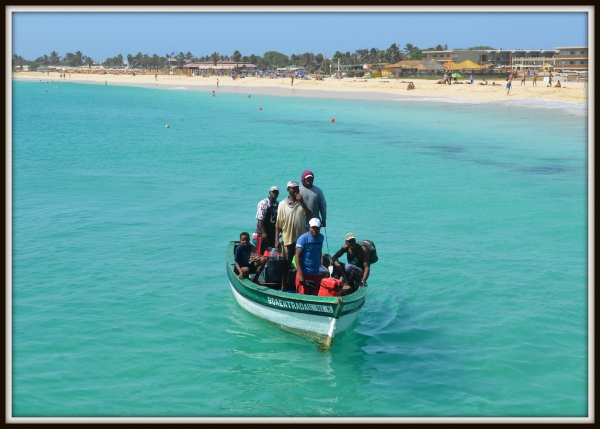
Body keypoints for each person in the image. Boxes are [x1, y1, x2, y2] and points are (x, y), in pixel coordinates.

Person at [274, 181, 313, 291]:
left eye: (297, 188)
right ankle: (283, 286)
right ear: (288, 190)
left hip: (301, 239)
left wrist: (302, 202)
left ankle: (302, 287)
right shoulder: (282, 204)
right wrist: (276, 240)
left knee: (302, 263)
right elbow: (278, 225)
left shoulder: (302, 201)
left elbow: (310, 216)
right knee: (286, 264)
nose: (295, 190)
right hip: (288, 239)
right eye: (293, 188)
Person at [295, 218, 325, 295]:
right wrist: (301, 276)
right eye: (313, 227)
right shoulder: (303, 238)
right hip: (304, 273)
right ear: (309, 227)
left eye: (317, 228)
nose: (314, 230)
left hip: (315, 273)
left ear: (320, 228)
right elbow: (297, 256)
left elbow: (319, 252)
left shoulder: (321, 238)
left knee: (313, 296)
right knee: (303, 297)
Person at [254, 186, 280, 254]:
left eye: (276, 192)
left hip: (272, 232)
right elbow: (260, 219)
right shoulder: (264, 203)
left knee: (271, 251)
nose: (274, 194)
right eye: (273, 192)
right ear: (269, 193)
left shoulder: (278, 204)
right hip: (263, 232)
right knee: (261, 251)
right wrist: (263, 232)